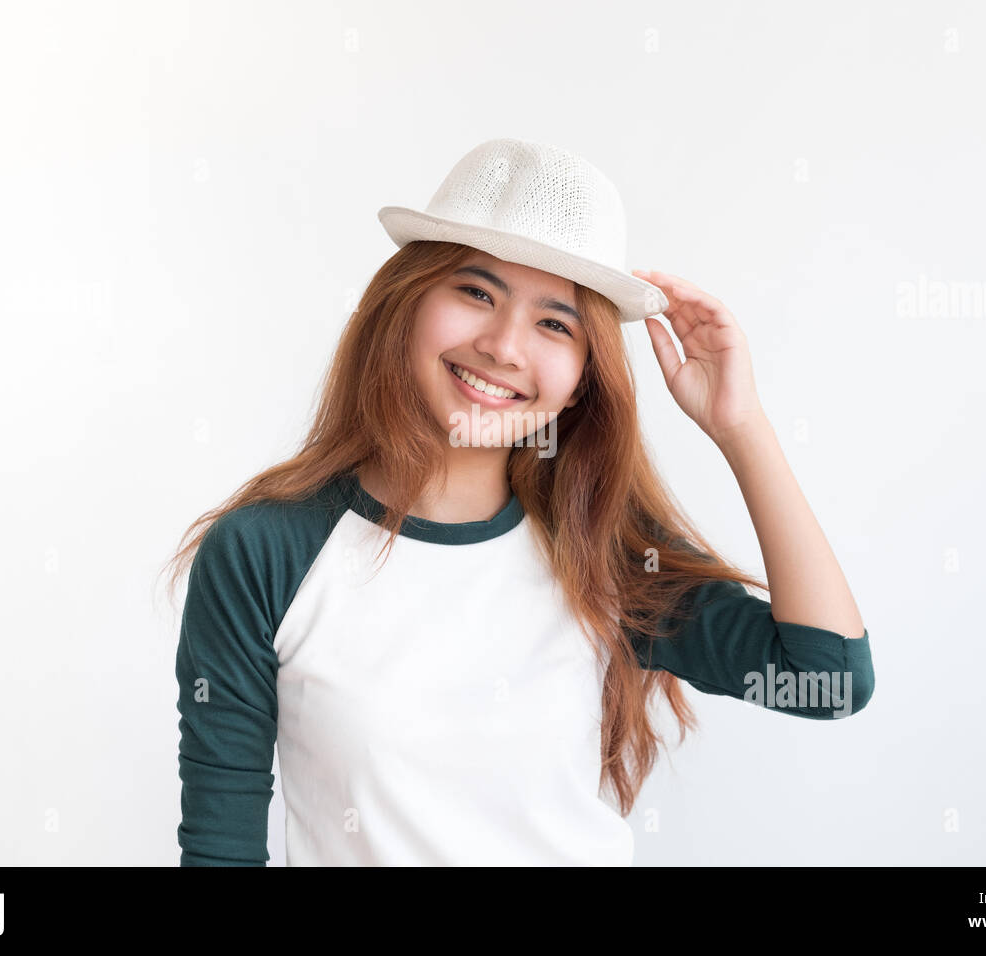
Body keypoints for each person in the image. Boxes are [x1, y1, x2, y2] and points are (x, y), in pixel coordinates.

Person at [161, 138, 875, 866]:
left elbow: (828, 682)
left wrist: (741, 426)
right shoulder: (263, 552)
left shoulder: (599, 548)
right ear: (404, 305)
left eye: (554, 323)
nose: (504, 347)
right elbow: (221, 850)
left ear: (584, 376)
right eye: (475, 292)